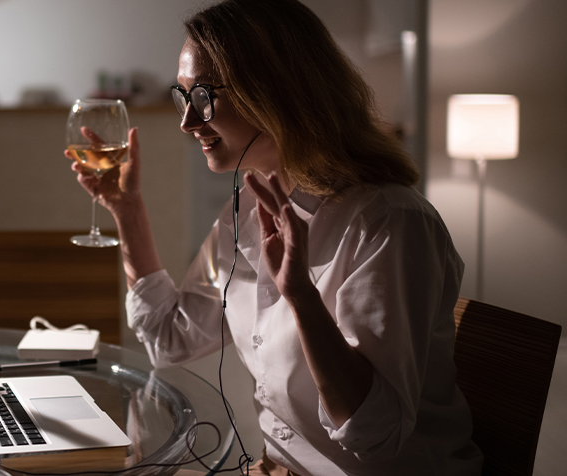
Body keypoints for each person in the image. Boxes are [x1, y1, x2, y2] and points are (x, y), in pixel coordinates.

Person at [68, 1, 483, 474]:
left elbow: (377, 436)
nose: (188, 121)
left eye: (202, 95)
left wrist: (303, 299)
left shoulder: (389, 223)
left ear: (275, 91)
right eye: (182, 96)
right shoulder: (245, 210)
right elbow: (170, 339)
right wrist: (127, 210)